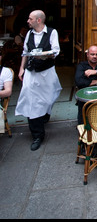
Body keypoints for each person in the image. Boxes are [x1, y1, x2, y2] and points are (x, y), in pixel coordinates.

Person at [15, 10, 62, 151]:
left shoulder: (52, 33)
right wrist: (21, 68)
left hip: (46, 72)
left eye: (30, 19)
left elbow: (55, 52)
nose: (28, 21)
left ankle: (45, 114)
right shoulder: (29, 34)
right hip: (31, 72)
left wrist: (44, 56)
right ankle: (37, 135)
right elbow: (25, 52)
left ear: (38, 20)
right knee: (31, 101)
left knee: (48, 99)